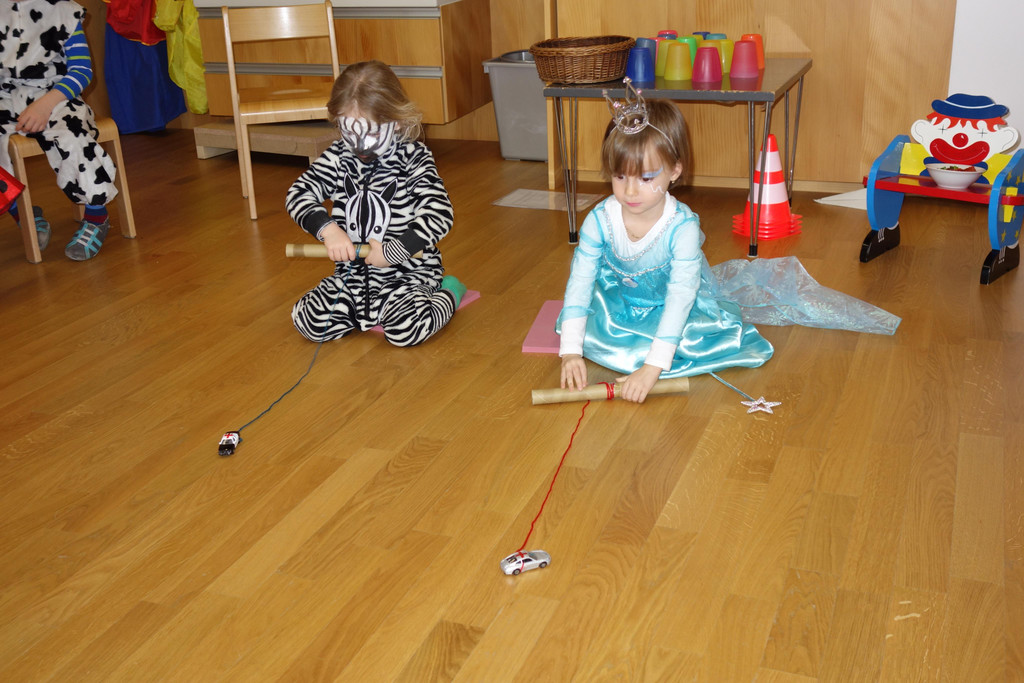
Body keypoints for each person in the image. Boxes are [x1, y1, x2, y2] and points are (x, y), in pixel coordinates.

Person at [558, 83, 773, 403]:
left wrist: (652, 367)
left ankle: (655, 353)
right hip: (620, 304)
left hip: (673, 305)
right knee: (581, 329)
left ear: (674, 170)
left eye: (646, 178)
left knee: (692, 340)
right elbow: (580, 282)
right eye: (619, 176)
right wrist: (570, 353)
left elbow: (680, 296)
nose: (630, 191)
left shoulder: (682, 228)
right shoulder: (599, 220)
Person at [287, 60, 466, 346]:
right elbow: (298, 193)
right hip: (352, 277)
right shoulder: (338, 156)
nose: (360, 145)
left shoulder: (413, 158)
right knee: (309, 321)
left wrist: (394, 252)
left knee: (405, 330)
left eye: (371, 133)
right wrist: (329, 230)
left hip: (409, 275)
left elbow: (439, 214)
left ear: (396, 121)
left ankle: (450, 291)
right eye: (349, 132)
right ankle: (362, 313)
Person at [1, 0, 119, 261]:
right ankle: (21, 212)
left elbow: (82, 71)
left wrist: (45, 105)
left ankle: (96, 215)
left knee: (73, 135)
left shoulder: (63, 11)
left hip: (57, 97)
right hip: (6, 98)